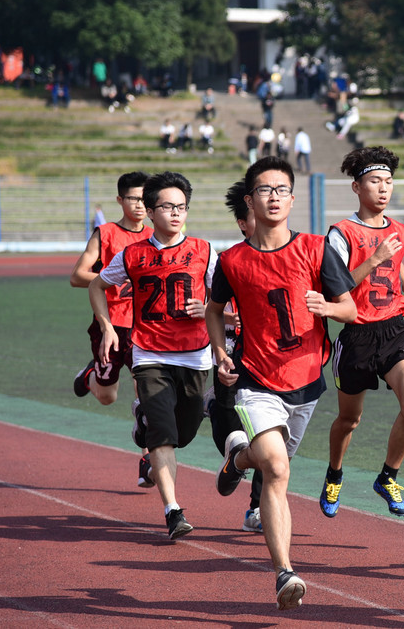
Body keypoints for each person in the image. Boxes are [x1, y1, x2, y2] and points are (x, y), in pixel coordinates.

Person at [206, 156, 357, 610]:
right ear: (250, 200)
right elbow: (215, 310)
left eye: (281, 189)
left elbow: (350, 309)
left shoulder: (315, 249)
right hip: (255, 378)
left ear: (292, 198)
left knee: (268, 461)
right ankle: (284, 572)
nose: (273, 196)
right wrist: (219, 351)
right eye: (264, 190)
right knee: (277, 470)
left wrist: (325, 307)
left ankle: (236, 459)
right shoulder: (231, 260)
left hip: (306, 380)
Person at [89, 171, 216, 541]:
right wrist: (108, 326)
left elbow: (226, 300)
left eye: (182, 207)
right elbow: (98, 284)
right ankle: (173, 510)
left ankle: (143, 417)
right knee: (163, 437)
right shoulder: (132, 254)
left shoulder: (206, 251)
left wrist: (207, 308)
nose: (176, 213)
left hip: (194, 356)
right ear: (150, 209)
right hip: (149, 355)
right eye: (168, 206)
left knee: (185, 433)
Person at [319, 146, 404, 519]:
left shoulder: (399, 229)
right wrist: (375, 258)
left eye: (388, 182)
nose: (383, 189)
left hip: (395, 330)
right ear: (356, 187)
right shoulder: (341, 233)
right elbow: (337, 288)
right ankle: (334, 474)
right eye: (374, 181)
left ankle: (388, 475)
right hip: (356, 334)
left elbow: (397, 263)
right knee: (350, 419)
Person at [70, 173, 154, 485]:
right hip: (110, 324)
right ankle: (92, 374)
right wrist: (112, 277)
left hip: (146, 326)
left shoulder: (155, 235)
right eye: (133, 198)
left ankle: (148, 458)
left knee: (147, 390)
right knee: (107, 396)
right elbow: (78, 276)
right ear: (120, 200)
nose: (140, 204)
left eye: (145, 198)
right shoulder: (105, 233)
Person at [203, 181, 266, 533]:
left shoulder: (295, 252)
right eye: (255, 215)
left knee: (271, 438)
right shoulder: (228, 260)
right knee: (235, 430)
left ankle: (257, 507)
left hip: (274, 360)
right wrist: (221, 343)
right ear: (243, 223)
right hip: (233, 352)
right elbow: (210, 306)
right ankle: (214, 410)